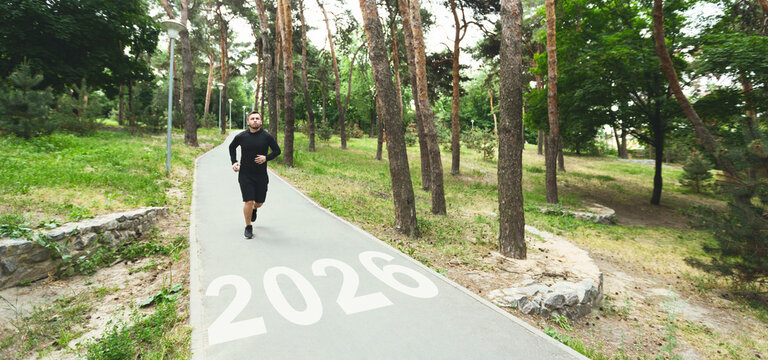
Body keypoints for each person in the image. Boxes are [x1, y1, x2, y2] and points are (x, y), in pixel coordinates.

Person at [229, 111, 281, 239]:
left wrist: (266, 158)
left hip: (261, 175)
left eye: (257, 118)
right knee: (248, 201)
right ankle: (248, 226)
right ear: (248, 122)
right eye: (252, 118)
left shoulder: (267, 137)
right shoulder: (241, 136)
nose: (255, 120)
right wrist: (234, 162)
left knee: (259, 202)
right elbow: (232, 147)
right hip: (245, 174)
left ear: (261, 121)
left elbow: (277, 151)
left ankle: (255, 209)